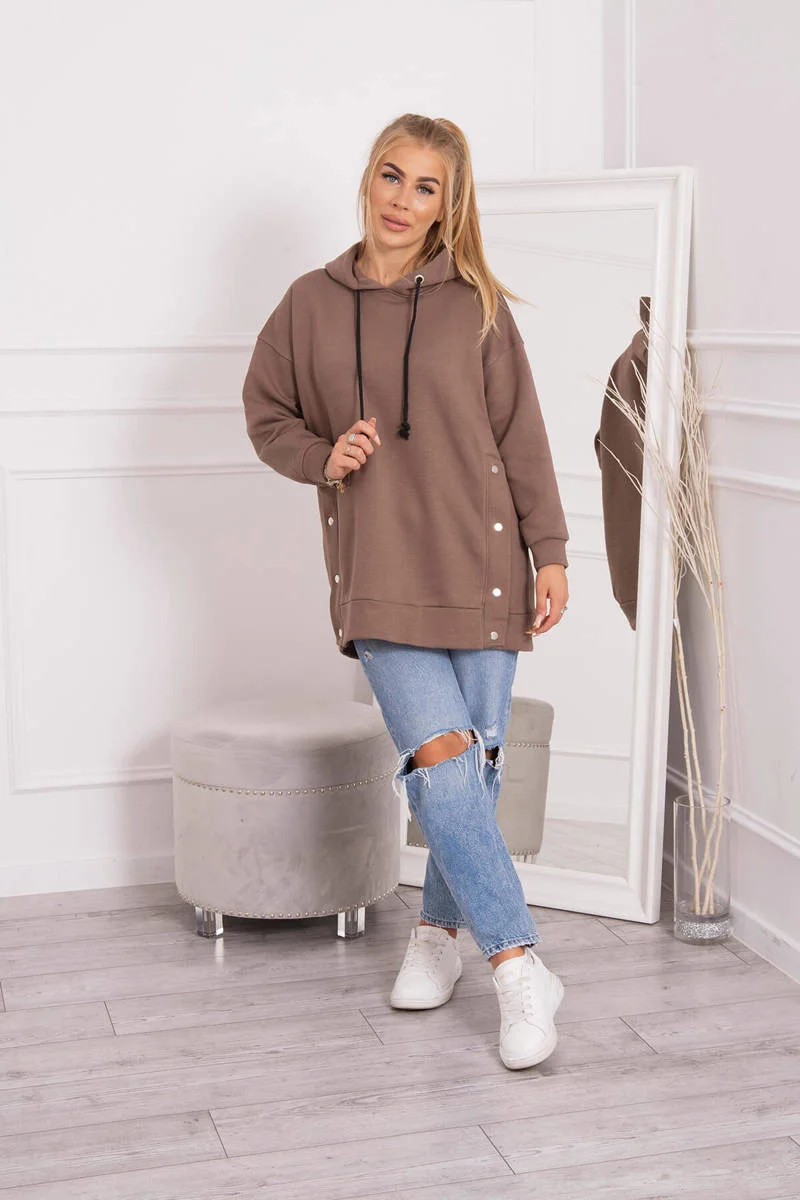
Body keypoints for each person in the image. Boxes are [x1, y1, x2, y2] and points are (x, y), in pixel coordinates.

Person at [242, 113, 570, 1070]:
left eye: (426, 187)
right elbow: (265, 413)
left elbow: (523, 437)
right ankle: (518, 964)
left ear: (447, 207)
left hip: (486, 563)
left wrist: (550, 551)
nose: (402, 200)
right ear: (369, 178)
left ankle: (436, 936)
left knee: (473, 769)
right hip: (380, 571)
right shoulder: (308, 303)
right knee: (441, 757)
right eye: (392, 176)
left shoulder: (478, 305)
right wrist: (322, 455)